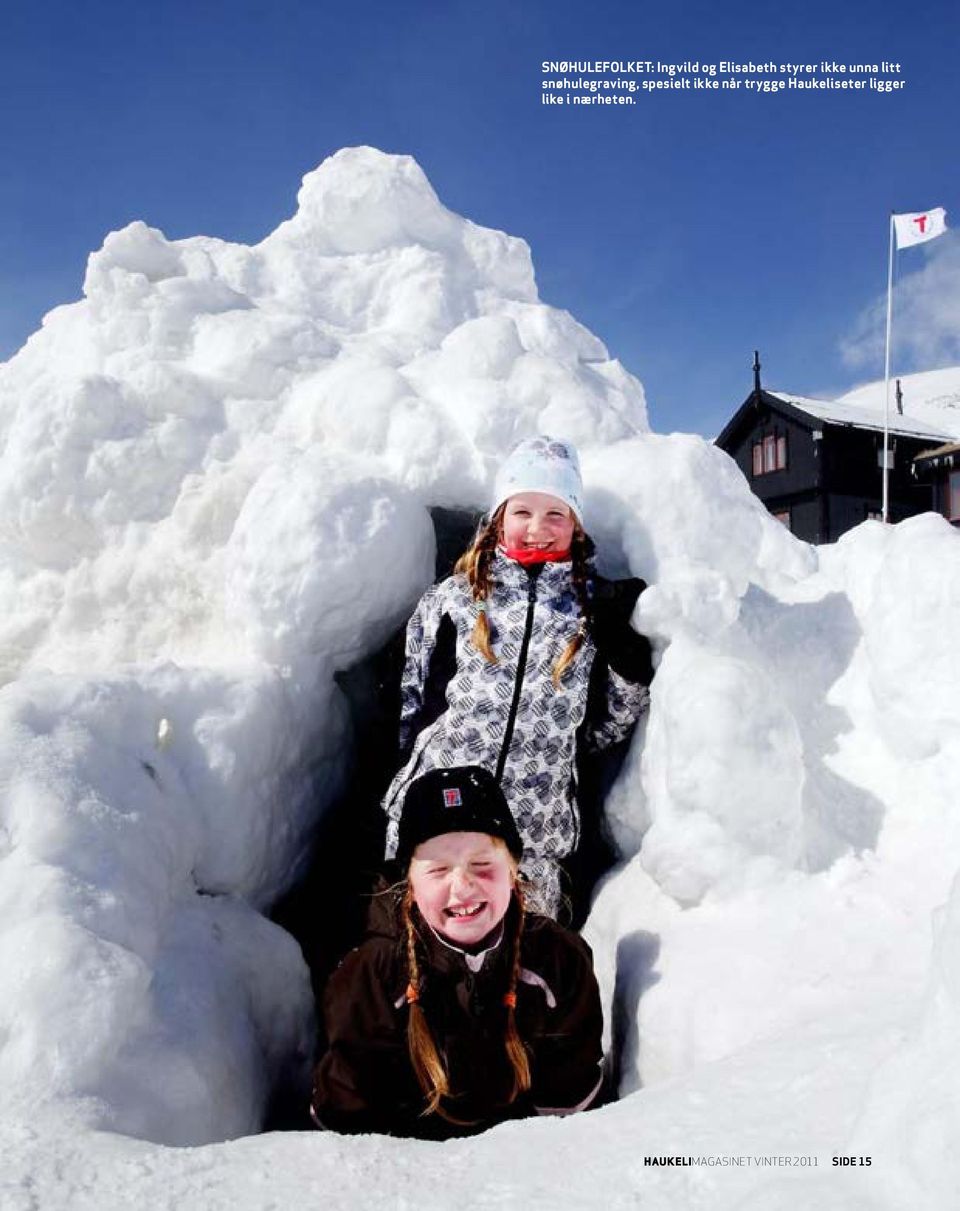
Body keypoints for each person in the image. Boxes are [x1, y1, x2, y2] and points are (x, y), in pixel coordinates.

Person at [381, 435, 654, 918]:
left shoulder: (593, 611)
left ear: (576, 525)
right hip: (438, 823)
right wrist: (407, 790)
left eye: (556, 514)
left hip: (534, 837)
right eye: (522, 511)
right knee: (420, 960)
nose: (538, 529)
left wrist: (627, 665)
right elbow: (412, 704)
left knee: (519, 975)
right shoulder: (452, 600)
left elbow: (598, 732)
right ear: (498, 518)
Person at [311, 766, 605, 1139]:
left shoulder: (558, 960)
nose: (462, 886)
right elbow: (347, 1118)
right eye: (437, 870)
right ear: (410, 884)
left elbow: (569, 1105)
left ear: (513, 869)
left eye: (482, 865)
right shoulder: (375, 974)